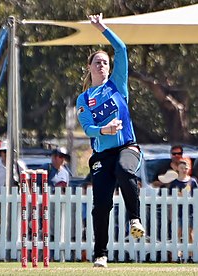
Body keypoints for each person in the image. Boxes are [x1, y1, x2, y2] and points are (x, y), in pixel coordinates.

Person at [76, 13, 145, 268]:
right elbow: (87, 128)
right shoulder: (84, 98)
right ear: (90, 67)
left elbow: (122, 47)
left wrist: (101, 27)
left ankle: (135, 220)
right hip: (101, 154)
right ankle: (100, 254)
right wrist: (103, 130)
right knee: (101, 205)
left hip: (127, 147)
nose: (102, 65)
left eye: (105, 62)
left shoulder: (118, 84)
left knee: (124, 170)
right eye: (97, 62)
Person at [169, 159, 197, 264]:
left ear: (189, 169)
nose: (184, 170)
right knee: (178, 233)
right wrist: (171, 214)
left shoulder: (192, 181)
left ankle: (190, 255)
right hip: (178, 212)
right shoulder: (174, 183)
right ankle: (178, 255)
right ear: (177, 169)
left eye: (186, 168)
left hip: (190, 212)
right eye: (182, 168)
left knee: (189, 234)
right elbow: (171, 200)